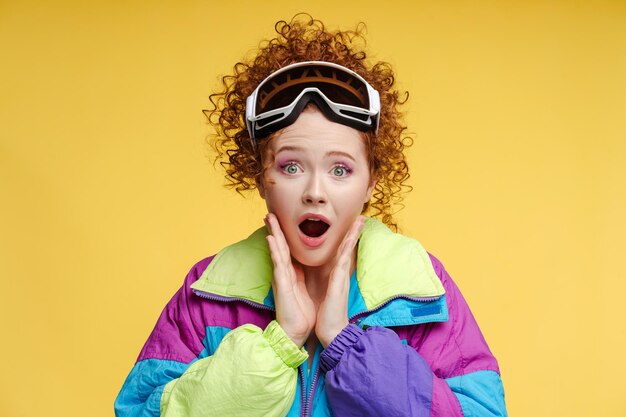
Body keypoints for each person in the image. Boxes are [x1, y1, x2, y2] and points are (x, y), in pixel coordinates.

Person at [114, 15, 508, 417]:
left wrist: (346, 347)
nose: (315, 192)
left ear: (372, 182)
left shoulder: (423, 292)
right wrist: (278, 346)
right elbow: (138, 411)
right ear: (261, 178)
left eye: (340, 170)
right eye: (291, 167)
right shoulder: (208, 294)